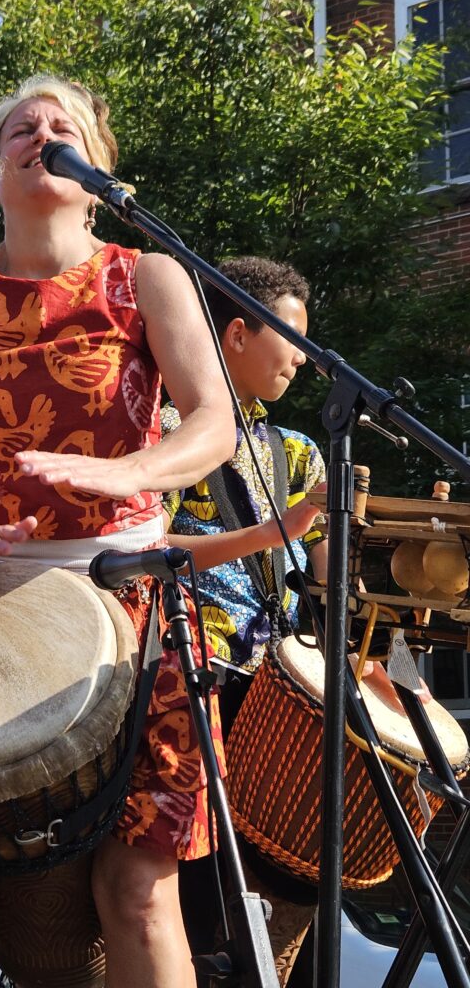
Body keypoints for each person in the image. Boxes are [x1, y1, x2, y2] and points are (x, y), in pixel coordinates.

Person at [0, 73, 236, 988]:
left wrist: (128, 472)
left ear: (97, 169)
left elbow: (213, 424)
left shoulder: (147, 276)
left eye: (61, 128)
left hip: (133, 599)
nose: (40, 134)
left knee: (142, 889)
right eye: (20, 130)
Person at [162, 257, 327, 987]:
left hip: (280, 701)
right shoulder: (165, 429)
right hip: (192, 690)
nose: (302, 358)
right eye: (293, 339)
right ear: (235, 333)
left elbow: (325, 585)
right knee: (203, 914)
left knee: (290, 896)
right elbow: (143, 549)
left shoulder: (298, 452)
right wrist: (272, 533)